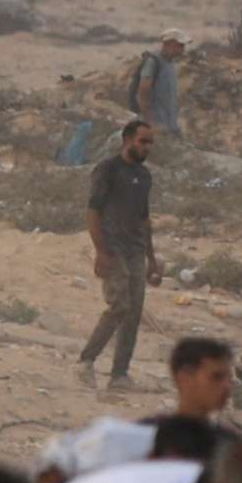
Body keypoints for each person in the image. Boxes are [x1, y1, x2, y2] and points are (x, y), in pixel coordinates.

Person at [84, 116, 156, 388]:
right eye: (143, 141)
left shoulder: (144, 176)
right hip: (112, 249)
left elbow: (144, 219)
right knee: (119, 307)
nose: (147, 147)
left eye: (150, 143)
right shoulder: (108, 170)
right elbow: (92, 212)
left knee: (134, 313)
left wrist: (152, 258)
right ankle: (86, 361)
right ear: (127, 140)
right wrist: (100, 251)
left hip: (135, 251)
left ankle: (119, 374)